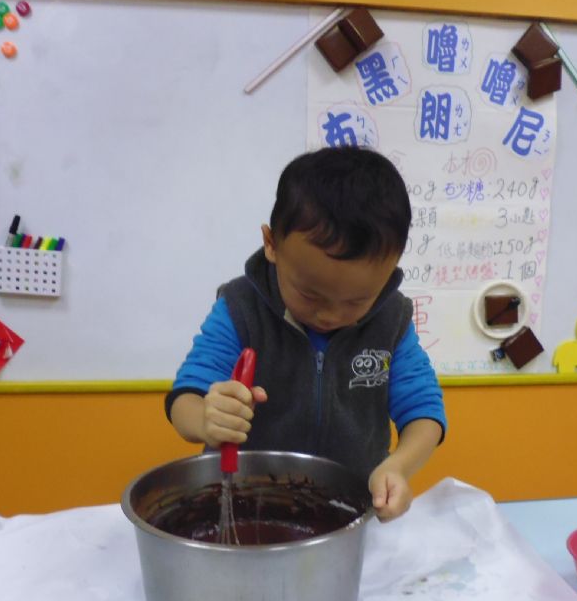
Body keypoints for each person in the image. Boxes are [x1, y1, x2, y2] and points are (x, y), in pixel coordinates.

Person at [165, 147, 445, 522]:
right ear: (271, 244)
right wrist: (206, 419)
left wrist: (399, 466)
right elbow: (185, 398)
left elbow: (424, 413)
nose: (330, 315)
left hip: (346, 511)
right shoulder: (241, 309)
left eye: (356, 301)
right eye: (310, 295)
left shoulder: (390, 319)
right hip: (244, 506)